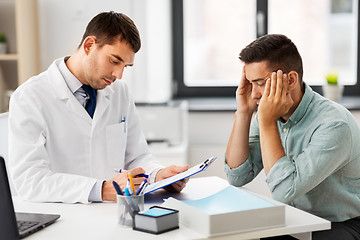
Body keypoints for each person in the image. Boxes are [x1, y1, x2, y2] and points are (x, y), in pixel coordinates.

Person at [8, 11, 189, 204]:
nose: (118, 74)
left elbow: (137, 156)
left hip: (113, 214)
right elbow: (30, 180)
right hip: (63, 219)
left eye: (125, 66)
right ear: (89, 45)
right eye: (114, 61)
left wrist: (157, 175)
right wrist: (99, 190)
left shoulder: (120, 92)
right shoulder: (30, 97)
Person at [225, 34, 360, 239]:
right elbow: (237, 176)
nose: (254, 94)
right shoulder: (265, 112)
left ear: (290, 80)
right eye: (251, 83)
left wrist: (267, 122)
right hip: (293, 218)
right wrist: (243, 113)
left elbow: (284, 191)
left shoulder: (334, 124)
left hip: (339, 224)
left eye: (260, 83)